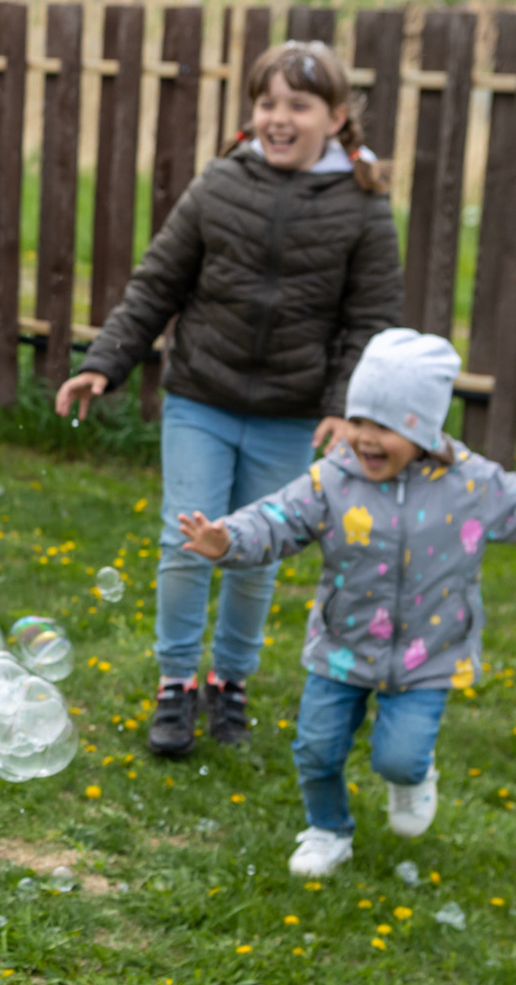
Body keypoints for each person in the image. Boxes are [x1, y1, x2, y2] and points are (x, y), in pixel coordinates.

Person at [176, 330, 516, 878]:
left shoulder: (471, 485)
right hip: (342, 648)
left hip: (428, 656)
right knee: (316, 751)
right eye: (358, 420)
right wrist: (229, 541)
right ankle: (328, 830)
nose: (364, 438)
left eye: (383, 427)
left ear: (423, 430)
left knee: (399, 758)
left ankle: (412, 775)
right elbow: (277, 519)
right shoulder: (333, 480)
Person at [54, 40, 403, 758]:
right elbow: (157, 284)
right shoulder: (219, 184)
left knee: (255, 553)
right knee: (188, 540)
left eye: (297, 105)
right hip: (201, 397)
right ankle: (176, 682)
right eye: (267, 102)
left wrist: (343, 407)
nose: (279, 117)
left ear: (335, 117)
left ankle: (230, 681)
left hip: (291, 411)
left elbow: (368, 322)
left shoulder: (364, 210)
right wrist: (106, 364)